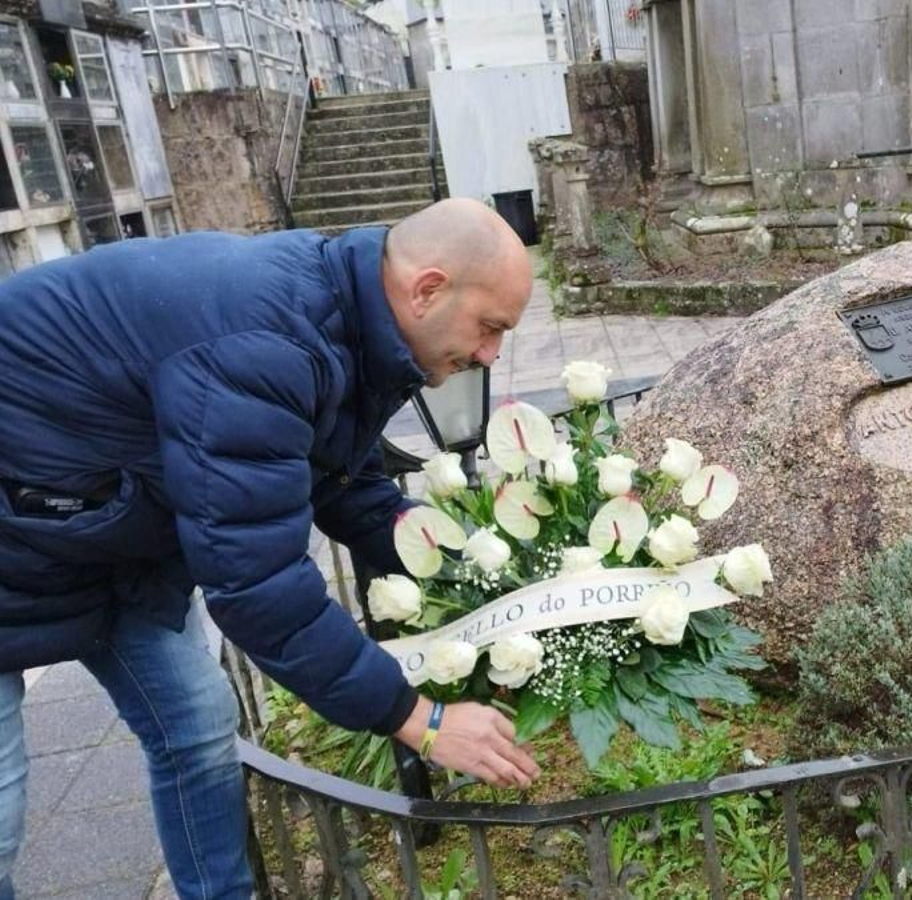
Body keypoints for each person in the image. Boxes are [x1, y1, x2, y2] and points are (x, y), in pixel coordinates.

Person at [0, 199, 542, 899]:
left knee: (197, 726)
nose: (490, 356)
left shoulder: (345, 323)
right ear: (428, 289)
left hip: (100, 533)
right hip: (29, 517)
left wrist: (495, 576)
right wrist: (419, 719)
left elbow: (346, 487)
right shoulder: (265, 342)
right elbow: (258, 585)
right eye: (491, 327)